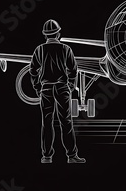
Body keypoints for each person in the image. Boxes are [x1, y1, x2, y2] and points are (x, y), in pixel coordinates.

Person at [29, 19, 86, 164]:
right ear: (58, 33)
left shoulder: (39, 49)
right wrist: (71, 85)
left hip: (46, 89)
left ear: (45, 35)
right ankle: (72, 156)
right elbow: (73, 69)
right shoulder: (66, 49)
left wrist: (37, 87)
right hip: (62, 88)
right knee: (66, 122)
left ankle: (47, 156)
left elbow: (33, 70)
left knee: (46, 123)